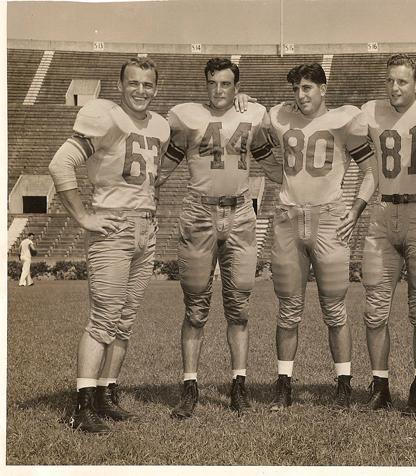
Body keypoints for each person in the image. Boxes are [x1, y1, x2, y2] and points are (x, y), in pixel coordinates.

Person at [48, 57, 169, 433]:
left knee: (124, 322)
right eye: (133, 83)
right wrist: (84, 216)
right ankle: (81, 406)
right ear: (120, 86)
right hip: (112, 230)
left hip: (145, 230)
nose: (140, 91)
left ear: (156, 87)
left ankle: (104, 394)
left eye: (147, 84)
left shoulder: (161, 126)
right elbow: (60, 163)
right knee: (103, 322)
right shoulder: (105, 116)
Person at [158, 57, 282, 418]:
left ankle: (238, 385)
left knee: (239, 306)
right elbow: (163, 165)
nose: (218, 90)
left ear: (236, 86)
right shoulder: (185, 115)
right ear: (205, 84)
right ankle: (190, 386)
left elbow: (273, 165)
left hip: (242, 213)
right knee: (195, 307)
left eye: (226, 84)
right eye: (212, 83)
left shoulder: (252, 115)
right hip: (199, 212)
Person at [265, 63, 377, 410]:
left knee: (335, 309)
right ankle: (284, 383)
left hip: (329, 218)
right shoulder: (280, 116)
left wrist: (355, 210)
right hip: (288, 217)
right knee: (288, 310)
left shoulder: (344, 120)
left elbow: (371, 170)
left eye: (308, 88)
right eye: (296, 89)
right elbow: (258, 138)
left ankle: (343, 384)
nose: (301, 95)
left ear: (323, 89)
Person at [360, 54, 416, 414]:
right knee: (374, 309)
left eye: (403, 82)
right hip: (383, 211)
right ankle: (379, 385)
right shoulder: (371, 110)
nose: (395, 88)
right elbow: (327, 117)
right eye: (390, 81)